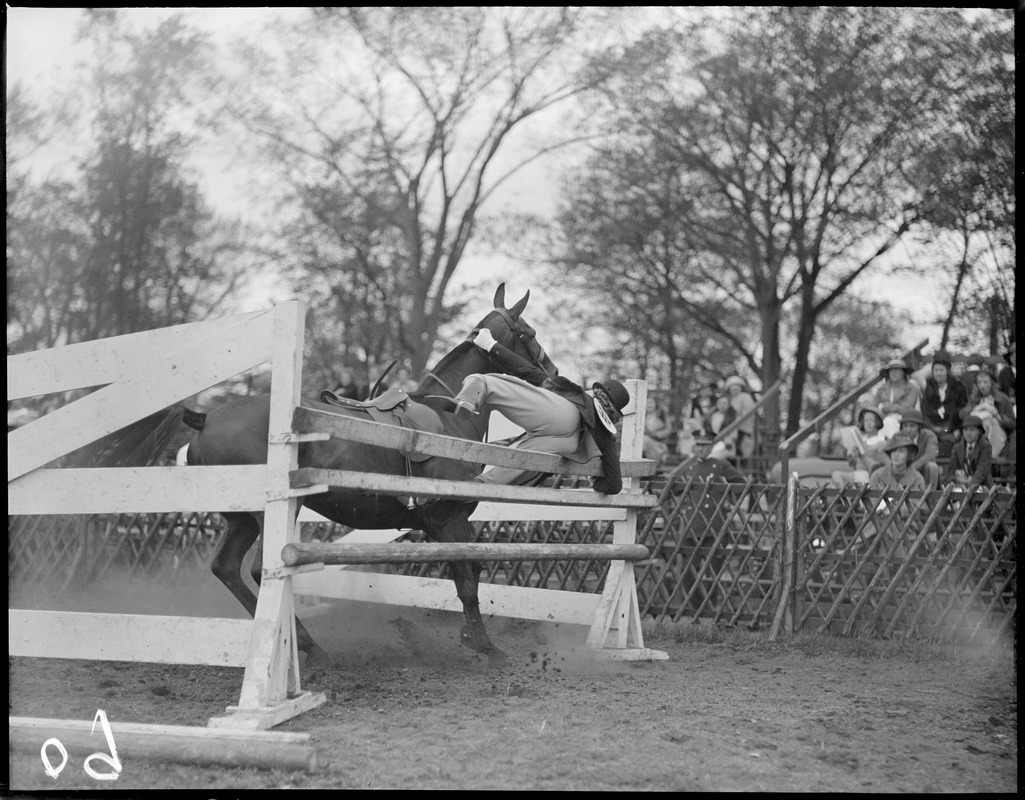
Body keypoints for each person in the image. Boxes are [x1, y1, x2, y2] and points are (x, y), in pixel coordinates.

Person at [450, 327, 628, 493]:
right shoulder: (606, 437)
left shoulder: (578, 398)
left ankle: (474, 392)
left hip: (564, 415)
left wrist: (491, 345)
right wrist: (596, 481)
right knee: (520, 461)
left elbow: (527, 370)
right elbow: (614, 485)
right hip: (567, 446)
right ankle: (476, 487)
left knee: (495, 385)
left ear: (598, 393)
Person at [919, 352, 969, 460]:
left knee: (949, 442)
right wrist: (934, 428)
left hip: (952, 428)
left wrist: (956, 428)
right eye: (936, 370)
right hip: (933, 428)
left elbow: (962, 410)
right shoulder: (929, 389)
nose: (938, 373)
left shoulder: (958, 387)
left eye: (941, 370)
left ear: (947, 371)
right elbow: (925, 414)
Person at [830, 406, 887, 487]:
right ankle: (843, 498)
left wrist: (862, 449)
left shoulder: (881, 441)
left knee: (838, 476)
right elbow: (854, 465)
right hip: (859, 474)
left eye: (871, 420)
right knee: (836, 476)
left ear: (877, 422)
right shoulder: (862, 439)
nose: (868, 423)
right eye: (865, 420)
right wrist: (852, 456)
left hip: (872, 477)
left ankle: (843, 497)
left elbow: (879, 465)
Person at [966, 368, 1014, 459]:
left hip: (999, 438)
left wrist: (996, 415)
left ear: (992, 383)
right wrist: (977, 408)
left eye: (985, 382)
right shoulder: (974, 399)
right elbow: (964, 417)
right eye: (979, 382)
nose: (982, 385)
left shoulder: (1003, 399)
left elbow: (1012, 425)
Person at [872, 358, 921, 439]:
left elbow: (906, 409)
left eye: (897, 369)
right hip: (882, 422)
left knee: (889, 422)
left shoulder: (911, 388)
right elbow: (874, 408)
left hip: (905, 422)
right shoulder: (882, 389)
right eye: (891, 370)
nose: (894, 372)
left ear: (903, 372)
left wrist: (886, 407)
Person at [943, 414, 993, 490]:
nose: (968, 433)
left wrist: (970, 487)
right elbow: (951, 469)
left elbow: (981, 472)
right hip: (961, 484)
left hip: (981, 485)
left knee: (976, 493)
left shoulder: (985, 446)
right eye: (965, 430)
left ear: (979, 431)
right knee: (954, 493)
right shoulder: (957, 447)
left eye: (972, 430)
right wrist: (951, 483)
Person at [676, 433, 746, 483]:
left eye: (704, 445)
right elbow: (675, 489)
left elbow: (742, 482)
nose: (700, 449)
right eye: (698, 445)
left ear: (711, 446)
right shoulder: (689, 467)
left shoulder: (721, 465)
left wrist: (728, 497)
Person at [897, 409, 940, 489]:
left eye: (912, 426)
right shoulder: (898, 436)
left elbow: (932, 453)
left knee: (932, 467)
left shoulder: (928, 435)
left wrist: (912, 468)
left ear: (919, 427)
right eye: (905, 426)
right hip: (902, 475)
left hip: (924, 475)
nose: (908, 430)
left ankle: (929, 499)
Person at [724, 376, 756, 459]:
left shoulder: (745, 397)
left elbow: (748, 412)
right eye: (732, 386)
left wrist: (738, 419)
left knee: (742, 450)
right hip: (732, 429)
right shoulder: (730, 399)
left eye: (737, 386)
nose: (734, 388)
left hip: (743, 428)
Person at [705, 394, 738, 460]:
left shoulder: (732, 418)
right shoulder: (711, 416)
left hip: (726, 446)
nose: (722, 405)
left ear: (729, 405)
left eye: (725, 403)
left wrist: (726, 441)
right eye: (720, 403)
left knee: (712, 456)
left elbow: (734, 435)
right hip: (712, 443)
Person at [643, 396, 671, 465]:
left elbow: (668, 430)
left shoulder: (662, 416)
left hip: (658, 446)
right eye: (647, 402)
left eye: (651, 402)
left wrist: (657, 434)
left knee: (645, 440)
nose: (649, 405)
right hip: (643, 445)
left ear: (655, 404)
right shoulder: (642, 416)